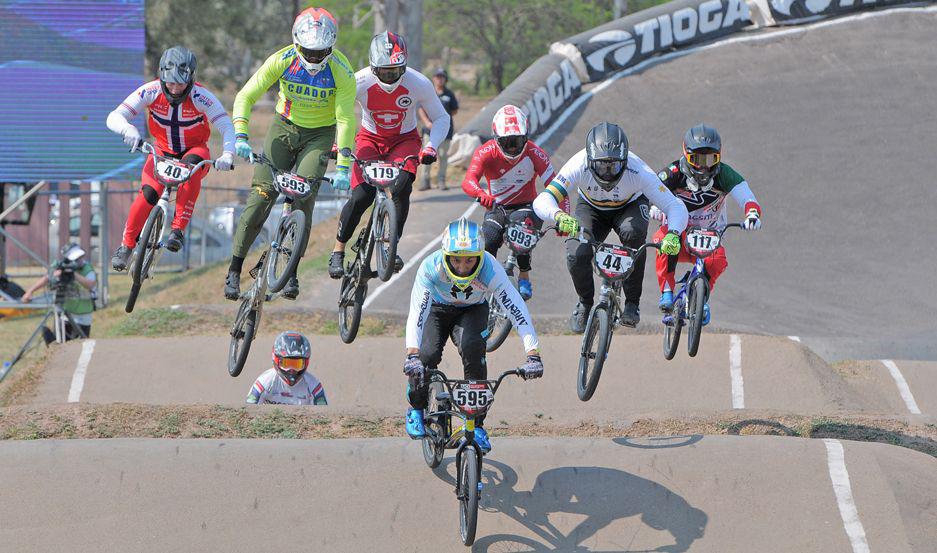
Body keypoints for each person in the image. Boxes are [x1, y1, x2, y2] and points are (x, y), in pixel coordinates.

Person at [225, 7, 357, 301]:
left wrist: (345, 166)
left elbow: (346, 118)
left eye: (321, 52)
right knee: (261, 196)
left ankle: (292, 271)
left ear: (331, 47)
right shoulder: (282, 60)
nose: (313, 58)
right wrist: (241, 135)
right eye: (308, 51)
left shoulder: (341, 70)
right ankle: (234, 269)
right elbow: (246, 95)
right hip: (283, 128)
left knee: (303, 200)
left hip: (320, 134)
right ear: (297, 44)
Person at [402, 218, 543, 453]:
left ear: (480, 256)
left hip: (473, 310)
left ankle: (477, 426)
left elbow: (517, 309)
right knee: (426, 355)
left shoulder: (490, 268)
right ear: (446, 255)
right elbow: (417, 312)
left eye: (470, 260)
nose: (463, 266)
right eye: (456, 259)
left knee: (473, 348)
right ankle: (416, 407)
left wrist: (533, 354)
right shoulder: (430, 267)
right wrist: (412, 354)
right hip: (436, 309)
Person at [532, 122, 689, 333]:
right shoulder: (578, 163)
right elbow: (543, 200)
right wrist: (558, 215)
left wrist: (673, 233)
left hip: (629, 206)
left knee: (634, 236)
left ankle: (632, 303)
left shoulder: (639, 170)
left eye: (614, 166)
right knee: (576, 254)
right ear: (589, 160)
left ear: (625, 161)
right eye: (601, 166)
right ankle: (585, 303)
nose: (607, 173)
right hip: (591, 208)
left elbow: (675, 207)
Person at [327, 32, 449, 279]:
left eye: (396, 71)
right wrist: (336, 143)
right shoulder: (359, 81)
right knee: (362, 195)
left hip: (404, 140)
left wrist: (431, 146)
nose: (390, 77)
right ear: (373, 67)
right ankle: (338, 251)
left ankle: (390, 244)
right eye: (384, 72)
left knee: (402, 188)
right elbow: (336, 112)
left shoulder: (419, 83)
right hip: (370, 139)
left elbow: (441, 118)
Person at [107, 46, 236, 271]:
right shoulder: (151, 90)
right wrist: (128, 130)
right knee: (147, 194)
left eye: (180, 83)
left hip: (193, 149)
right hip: (161, 150)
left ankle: (177, 230)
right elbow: (115, 116)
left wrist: (228, 154)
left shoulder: (201, 96)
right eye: (170, 82)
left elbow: (226, 125)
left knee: (192, 168)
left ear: (191, 79)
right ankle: (126, 246)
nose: (175, 89)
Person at [652, 124, 762, 324]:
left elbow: (747, 196)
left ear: (719, 157)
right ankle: (667, 291)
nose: (703, 167)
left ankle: (702, 296)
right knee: (663, 241)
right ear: (686, 155)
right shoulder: (673, 172)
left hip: (711, 235)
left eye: (711, 160)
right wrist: (654, 206)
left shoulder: (725, 174)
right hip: (679, 234)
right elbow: (652, 188)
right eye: (697, 160)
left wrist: (752, 214)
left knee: (718, 260)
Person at [461, 105, 558, 300]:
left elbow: (556, 186)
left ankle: (524, 275)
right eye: (507, 142)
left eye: (518, 141)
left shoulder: (535, 153)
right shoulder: (485, 152)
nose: (513, 148)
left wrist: (561, 215)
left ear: (526, 137)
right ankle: (484, 278)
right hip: (497, 207)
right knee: (488, 238)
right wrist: (480, 194)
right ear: (496, 139)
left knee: (521, 233)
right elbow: (468, 180)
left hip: (527, 207)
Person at [20, 244, 97, 344]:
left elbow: (90, 285)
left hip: (84, 314)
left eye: (80, 257)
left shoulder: (87, 268)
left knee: (84, 344)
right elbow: (46, 279)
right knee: (62, 344)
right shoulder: (60, 266)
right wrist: (30, 291)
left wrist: (74, 274)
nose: (80, 260)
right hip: (66, 313)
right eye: (76, 258)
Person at [246, 331, 328, 405]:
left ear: (306, 363)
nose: (291, 370)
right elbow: (250, 409)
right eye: (286, 363)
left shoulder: (313, 385)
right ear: (276, 360)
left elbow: (323, 414)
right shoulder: (265, 381)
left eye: (297, 364)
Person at [418, 67, 459, 191]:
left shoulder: (449, 94)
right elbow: (421, 109)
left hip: (445, 131)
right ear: (433, 78)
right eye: (437, 76)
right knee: (426, 155)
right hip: (429, 130)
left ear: (445, 79)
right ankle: (425, 181)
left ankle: (441, 181)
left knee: (443, 155)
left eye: (442, 77)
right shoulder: (428, 93)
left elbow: (454, 110)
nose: (439, 79)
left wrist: (442, 122)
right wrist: (427, 122)